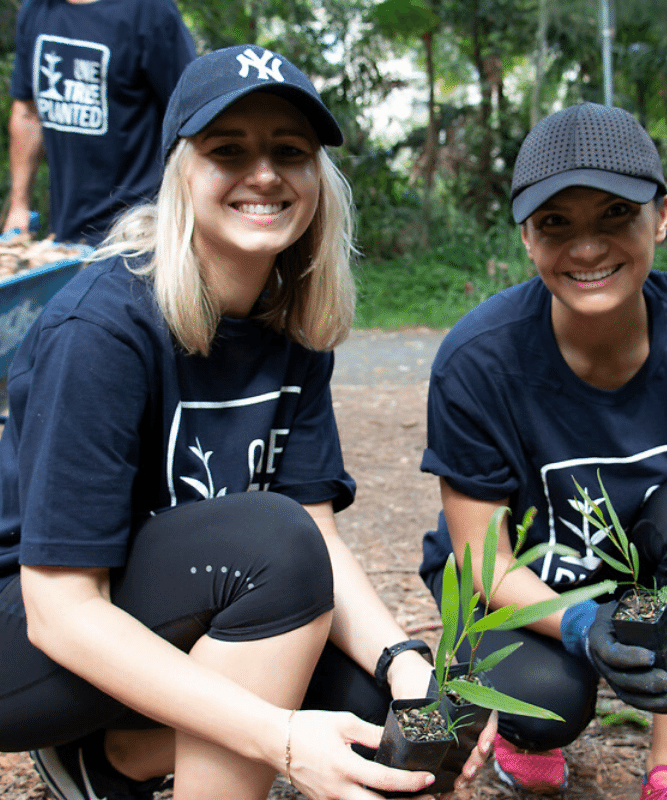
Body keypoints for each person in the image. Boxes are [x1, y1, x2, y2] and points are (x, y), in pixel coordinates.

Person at [0, 45, 495, 800]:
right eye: (228, 149)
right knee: (268, 542)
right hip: (30, 630)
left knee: (373, 709)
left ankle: (109, 761)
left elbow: (315, 530)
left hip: (164, 600)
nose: (263, 173)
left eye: (288, 151)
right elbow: (61, 613)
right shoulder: (101, 329)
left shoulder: (289, 326)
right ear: (180, 175)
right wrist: (283, 739)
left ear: (316, 181)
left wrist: (405, 663)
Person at [419, 102, 667, 799]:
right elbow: (483, 559)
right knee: (551, 699)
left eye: (615, 215)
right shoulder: (478, 360)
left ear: (661, 215)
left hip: (644, 577)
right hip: (519, 586)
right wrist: (580, 623)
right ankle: (522, 733)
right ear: (526, 237)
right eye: (556, 224)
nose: (587, 248)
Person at [3, 0, 196, 245]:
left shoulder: (150, 10)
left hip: (139, 230)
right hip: (66, 235)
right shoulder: (37, 10)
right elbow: (27, 112)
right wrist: (19, 205)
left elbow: (189, 114)